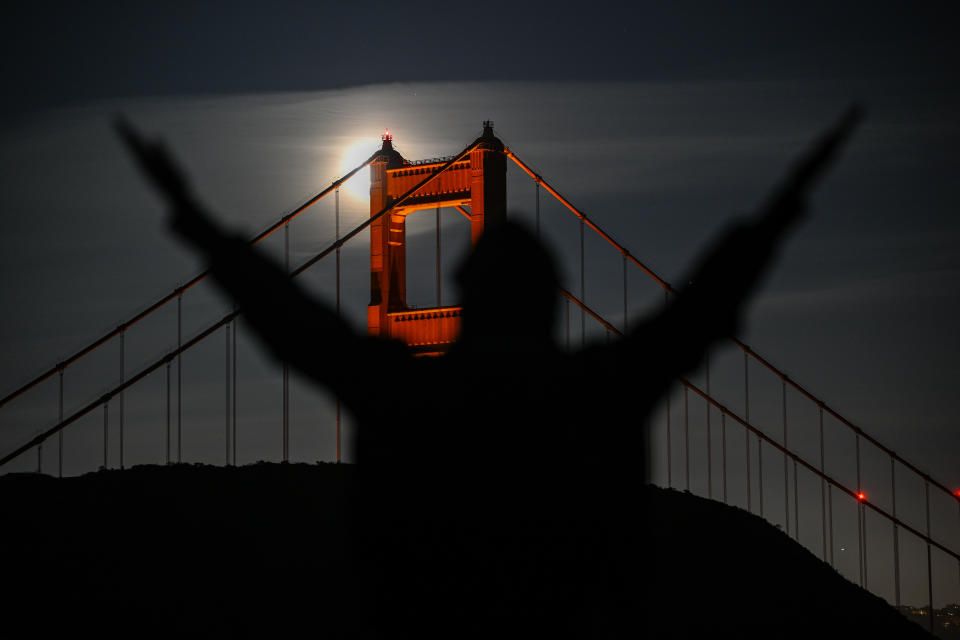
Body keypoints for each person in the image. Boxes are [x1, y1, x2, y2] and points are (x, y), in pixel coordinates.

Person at [116, 106, 861, 638]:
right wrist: (784, 205)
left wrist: (191, 213)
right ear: (550, 304)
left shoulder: (402, 392)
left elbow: (291, 320)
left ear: (466, 295)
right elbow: (699, 312)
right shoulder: (598, 391)